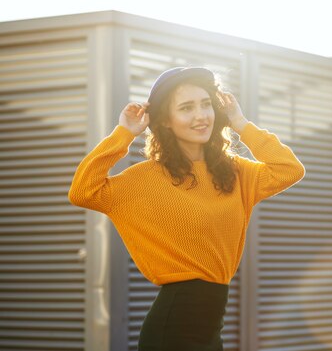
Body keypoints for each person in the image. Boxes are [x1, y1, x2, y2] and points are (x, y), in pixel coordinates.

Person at [68, 66, 305, 350]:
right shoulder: (145, 178)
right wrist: (123, 134)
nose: (200, 116)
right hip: (175, 325)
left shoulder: (235, 172)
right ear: (166, 120)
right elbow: (83, 191)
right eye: (186, 108)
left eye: (206, 104)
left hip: (210, 323)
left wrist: (240, 123)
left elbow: (290, 169)